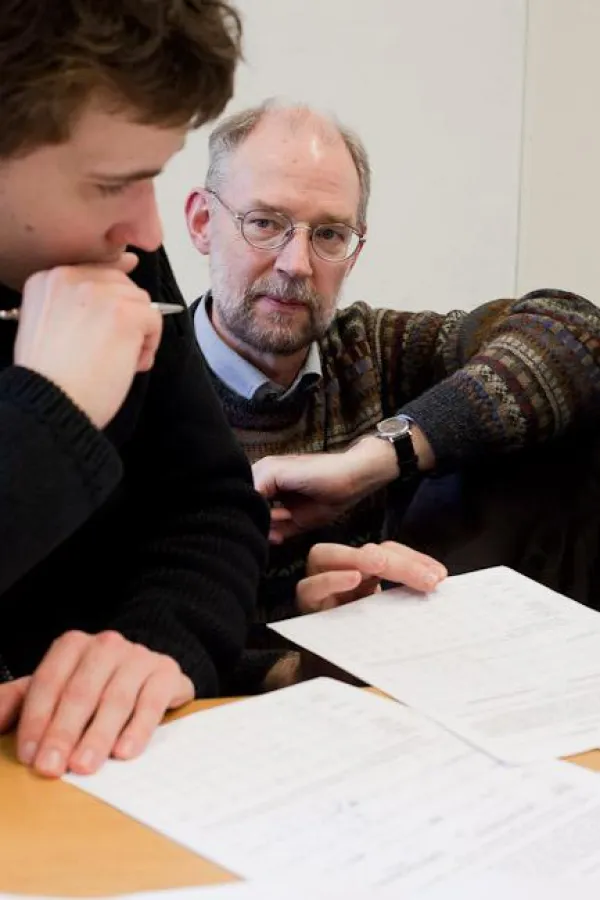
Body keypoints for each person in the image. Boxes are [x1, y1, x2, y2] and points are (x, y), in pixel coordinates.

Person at [186, 99, 600, 689]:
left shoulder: (374, 348)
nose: (297, 263)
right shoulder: (141, 380)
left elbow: (576, 331)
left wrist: (370, 462)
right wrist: (298, 660)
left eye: (329, 233)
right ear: (202, 222)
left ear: (355, 248)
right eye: (265, 222)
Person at [0, 0, 270, 778]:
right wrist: (51, 410)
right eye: (112, 183)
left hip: (96, 781)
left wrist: (159, 642)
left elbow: (210, 505)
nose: (150, 234)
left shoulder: (114, 258)